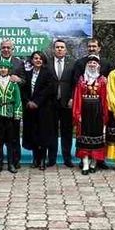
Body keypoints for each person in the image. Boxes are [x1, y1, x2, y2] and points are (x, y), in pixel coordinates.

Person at [72, 56, 107, 175]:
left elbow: (104, 98)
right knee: (84, 137)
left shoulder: (102, 80)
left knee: (96, 137)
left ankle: (94, 162)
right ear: (87, 65)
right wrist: (77, 114)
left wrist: (104, 115)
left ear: (98, 66)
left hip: (97, 113)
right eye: (90, 63)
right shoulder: (81, 79)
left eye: (94, 63)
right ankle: (85, 163)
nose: (92, 64)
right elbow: (77, 97)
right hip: (84, 112)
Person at [22, 50, 56, 170]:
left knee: (43, 134)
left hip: (43, 109)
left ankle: (42, 160)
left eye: (40, 58)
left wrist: (37, 102)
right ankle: (35, 159)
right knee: (33, 134)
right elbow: (23, 90)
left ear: (43, 60)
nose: (38, 60)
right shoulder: (27, 73)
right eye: (35, 58)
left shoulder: (48, 73)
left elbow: (49, 90)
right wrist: (28, 102)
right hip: (30, 109)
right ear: (32, 60)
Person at [0, 59, 23, 173]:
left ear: (9, 70)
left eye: (5, 68)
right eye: (1, 68)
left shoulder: (13, 83)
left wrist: (17, 113)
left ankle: (11, 164)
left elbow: (17, 99)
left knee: (11, 141)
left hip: (10, 115)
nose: (3, 70)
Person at [48, 39, 75, 168]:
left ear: (66, 50)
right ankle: (51, 158)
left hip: (67, 103)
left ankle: (67, 158)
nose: (59, 49)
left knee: (67, 132)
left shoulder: (72, 64)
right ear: (53, 49)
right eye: (57, 47)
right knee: (51, 131)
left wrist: (72, 98)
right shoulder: (47, 64)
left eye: (62, 47)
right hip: (51, 103)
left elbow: (75, 83)